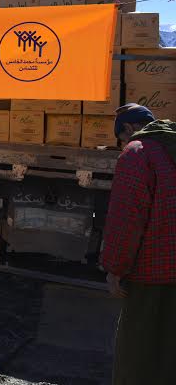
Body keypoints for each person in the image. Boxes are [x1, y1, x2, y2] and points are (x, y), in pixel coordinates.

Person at [101, 104, 176, 385]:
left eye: (121, 137)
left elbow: (126, 220)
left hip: (151, 274)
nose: (123, 143)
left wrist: (114, 269)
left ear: (130, 128)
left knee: (138, 357)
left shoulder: (137, 153)